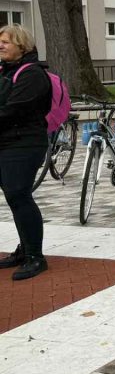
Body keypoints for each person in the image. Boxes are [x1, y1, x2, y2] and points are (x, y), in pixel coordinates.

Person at [0, 25, 52, 280]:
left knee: (19, 195)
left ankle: (35, 257)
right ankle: (24, 249)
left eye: (6, 42)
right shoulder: (5, 71)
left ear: (22, 45)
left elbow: (13, 110)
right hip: (6, 142)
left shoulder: (32, 74)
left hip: (25, 143)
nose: (0, 45)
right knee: (14, 197)